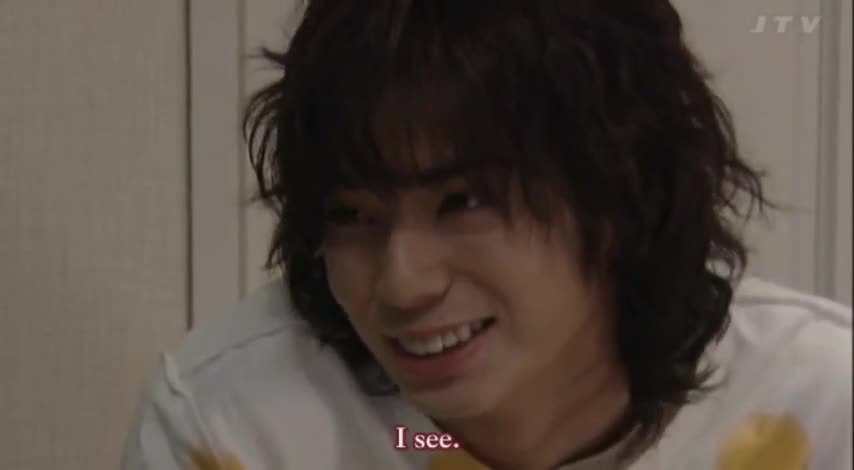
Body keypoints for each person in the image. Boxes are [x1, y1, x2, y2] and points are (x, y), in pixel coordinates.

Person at [122, 1, 852, 469]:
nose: (402, 284)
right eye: (352, 215)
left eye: (462, 202)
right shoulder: (239, 426)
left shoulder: (823, 408)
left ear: (624, 189)